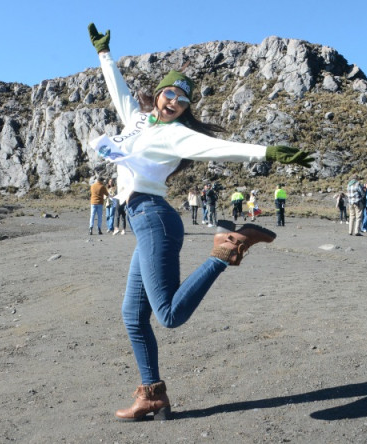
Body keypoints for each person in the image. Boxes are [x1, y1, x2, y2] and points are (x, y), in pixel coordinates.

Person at [87, 22, 314, 422]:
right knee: (132, 316)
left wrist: (266, 152)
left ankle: (228, 247)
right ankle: (152, 394)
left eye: (182, 98)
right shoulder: (137, 120)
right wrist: (104, 54)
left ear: (186, 107)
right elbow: (117, 90)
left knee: (169, 315)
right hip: (144, 222)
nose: (174, 100)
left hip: (155, 220)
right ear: (159, 94)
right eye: (169, 92)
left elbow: (219, 148)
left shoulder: (176, 134)